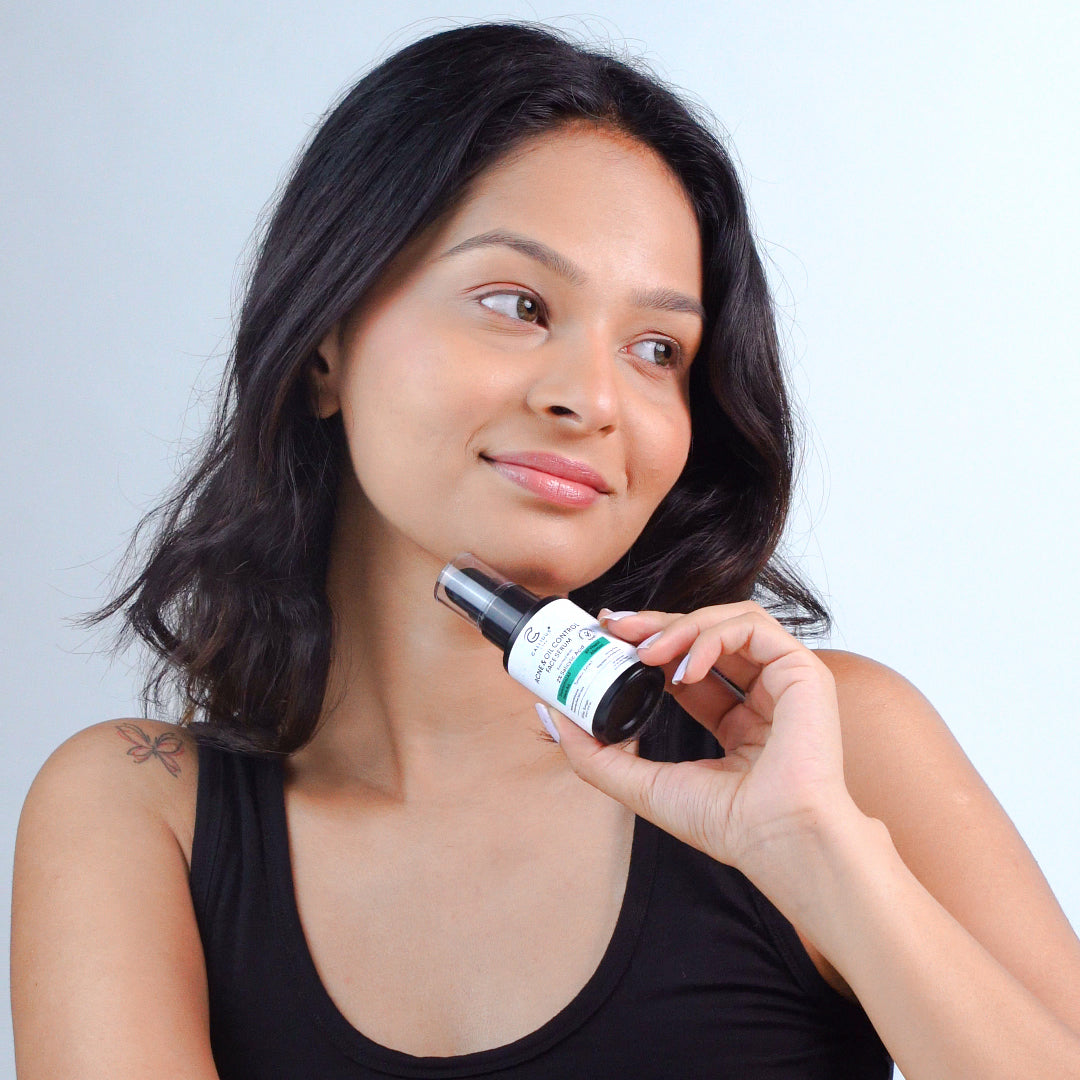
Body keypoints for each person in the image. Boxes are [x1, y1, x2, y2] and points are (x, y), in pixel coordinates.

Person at [10, 21, 1080, 1079]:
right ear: (327, 342)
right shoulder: (138, 813)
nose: (593, 398)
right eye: (519, 305)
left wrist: (817, 853)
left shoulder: (833, 750)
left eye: (656, 348)